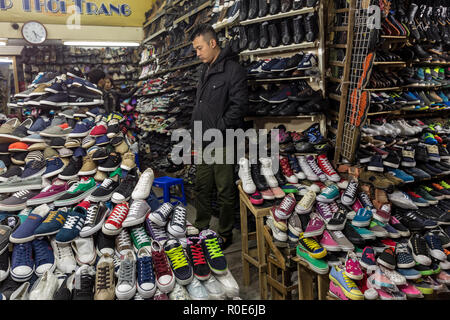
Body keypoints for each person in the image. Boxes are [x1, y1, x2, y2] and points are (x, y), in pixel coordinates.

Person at [190, 24, 248, 250]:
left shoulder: (232, 70)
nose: (197, 53)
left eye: (199, 48)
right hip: (203, 140)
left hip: (223, 140)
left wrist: (220, 128)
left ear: (212, 43)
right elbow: (200, 105)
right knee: (202, 186)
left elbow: (239, 105)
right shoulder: (204, 70)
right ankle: (202, 227)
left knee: (224, 189)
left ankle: (225, 232)